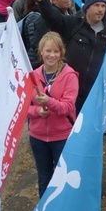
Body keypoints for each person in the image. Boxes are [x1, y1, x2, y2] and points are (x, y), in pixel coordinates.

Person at [31, 0, 106, 114]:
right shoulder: (73, 24)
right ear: (87, 8)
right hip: (70, 91)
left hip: (95, 94)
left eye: (103, 6)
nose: (101, 10)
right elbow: (49, 13)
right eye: (97, 5)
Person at [27, 32, 79, 198]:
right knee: (44, 179)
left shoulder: (70, 76)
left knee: (63, 179)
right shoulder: (32, 76)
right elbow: (23, 108)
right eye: (48, 51)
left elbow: (67, 107)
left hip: (62, 137)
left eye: (56, 51)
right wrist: (37, 111)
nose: (52, 55)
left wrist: (48, 101)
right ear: (41, 51)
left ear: (61, 53)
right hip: (38, 137)